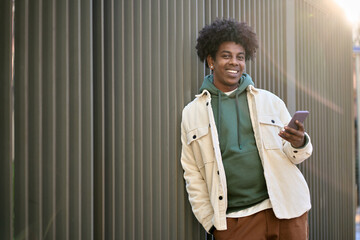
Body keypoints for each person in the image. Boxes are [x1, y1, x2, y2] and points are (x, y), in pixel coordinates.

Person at [180, 18, 313, 240]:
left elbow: (295, 156)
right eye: (226, 56)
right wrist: (211, 223)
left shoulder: (270, 101)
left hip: (287, 211)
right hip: (236, 221)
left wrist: (299, 142)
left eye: (240, 57)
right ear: (211, 60)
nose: (234, 62)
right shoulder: (192, 113)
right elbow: (192, 173)